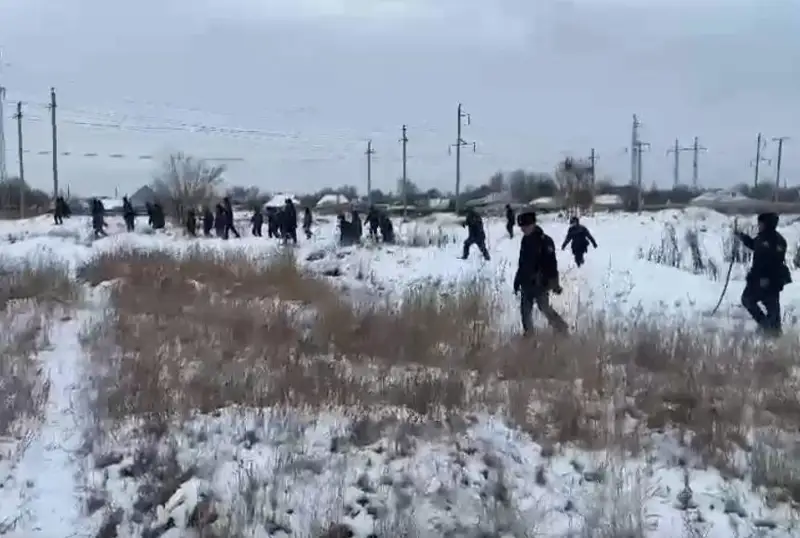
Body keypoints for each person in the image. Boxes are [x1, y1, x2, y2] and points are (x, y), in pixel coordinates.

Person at [735, 212, 792, 337]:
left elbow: (771, 260)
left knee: (748, 299)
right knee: (772, 307)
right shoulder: (775, 239)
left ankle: (766, 326)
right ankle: (774, 332)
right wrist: (742, 237)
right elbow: (755, 245)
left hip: (762, 279)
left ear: (766, 224)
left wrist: (764, 277)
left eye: (760, 223)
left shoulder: (767, 239)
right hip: (774, 280)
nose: (758, 225)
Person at [513, 211, 569, 335]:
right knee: (525, 311)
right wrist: (517, 280)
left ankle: (561, 328)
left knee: (544, 308)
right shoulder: (525, 240)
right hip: (526, 282)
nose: (523, 229)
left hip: (540, 283)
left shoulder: (545, 241)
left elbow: (552, 264)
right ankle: (529, 334)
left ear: (532, 225)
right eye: (521, 227)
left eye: (525, 227)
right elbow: (522, 263)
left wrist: (555, 283)